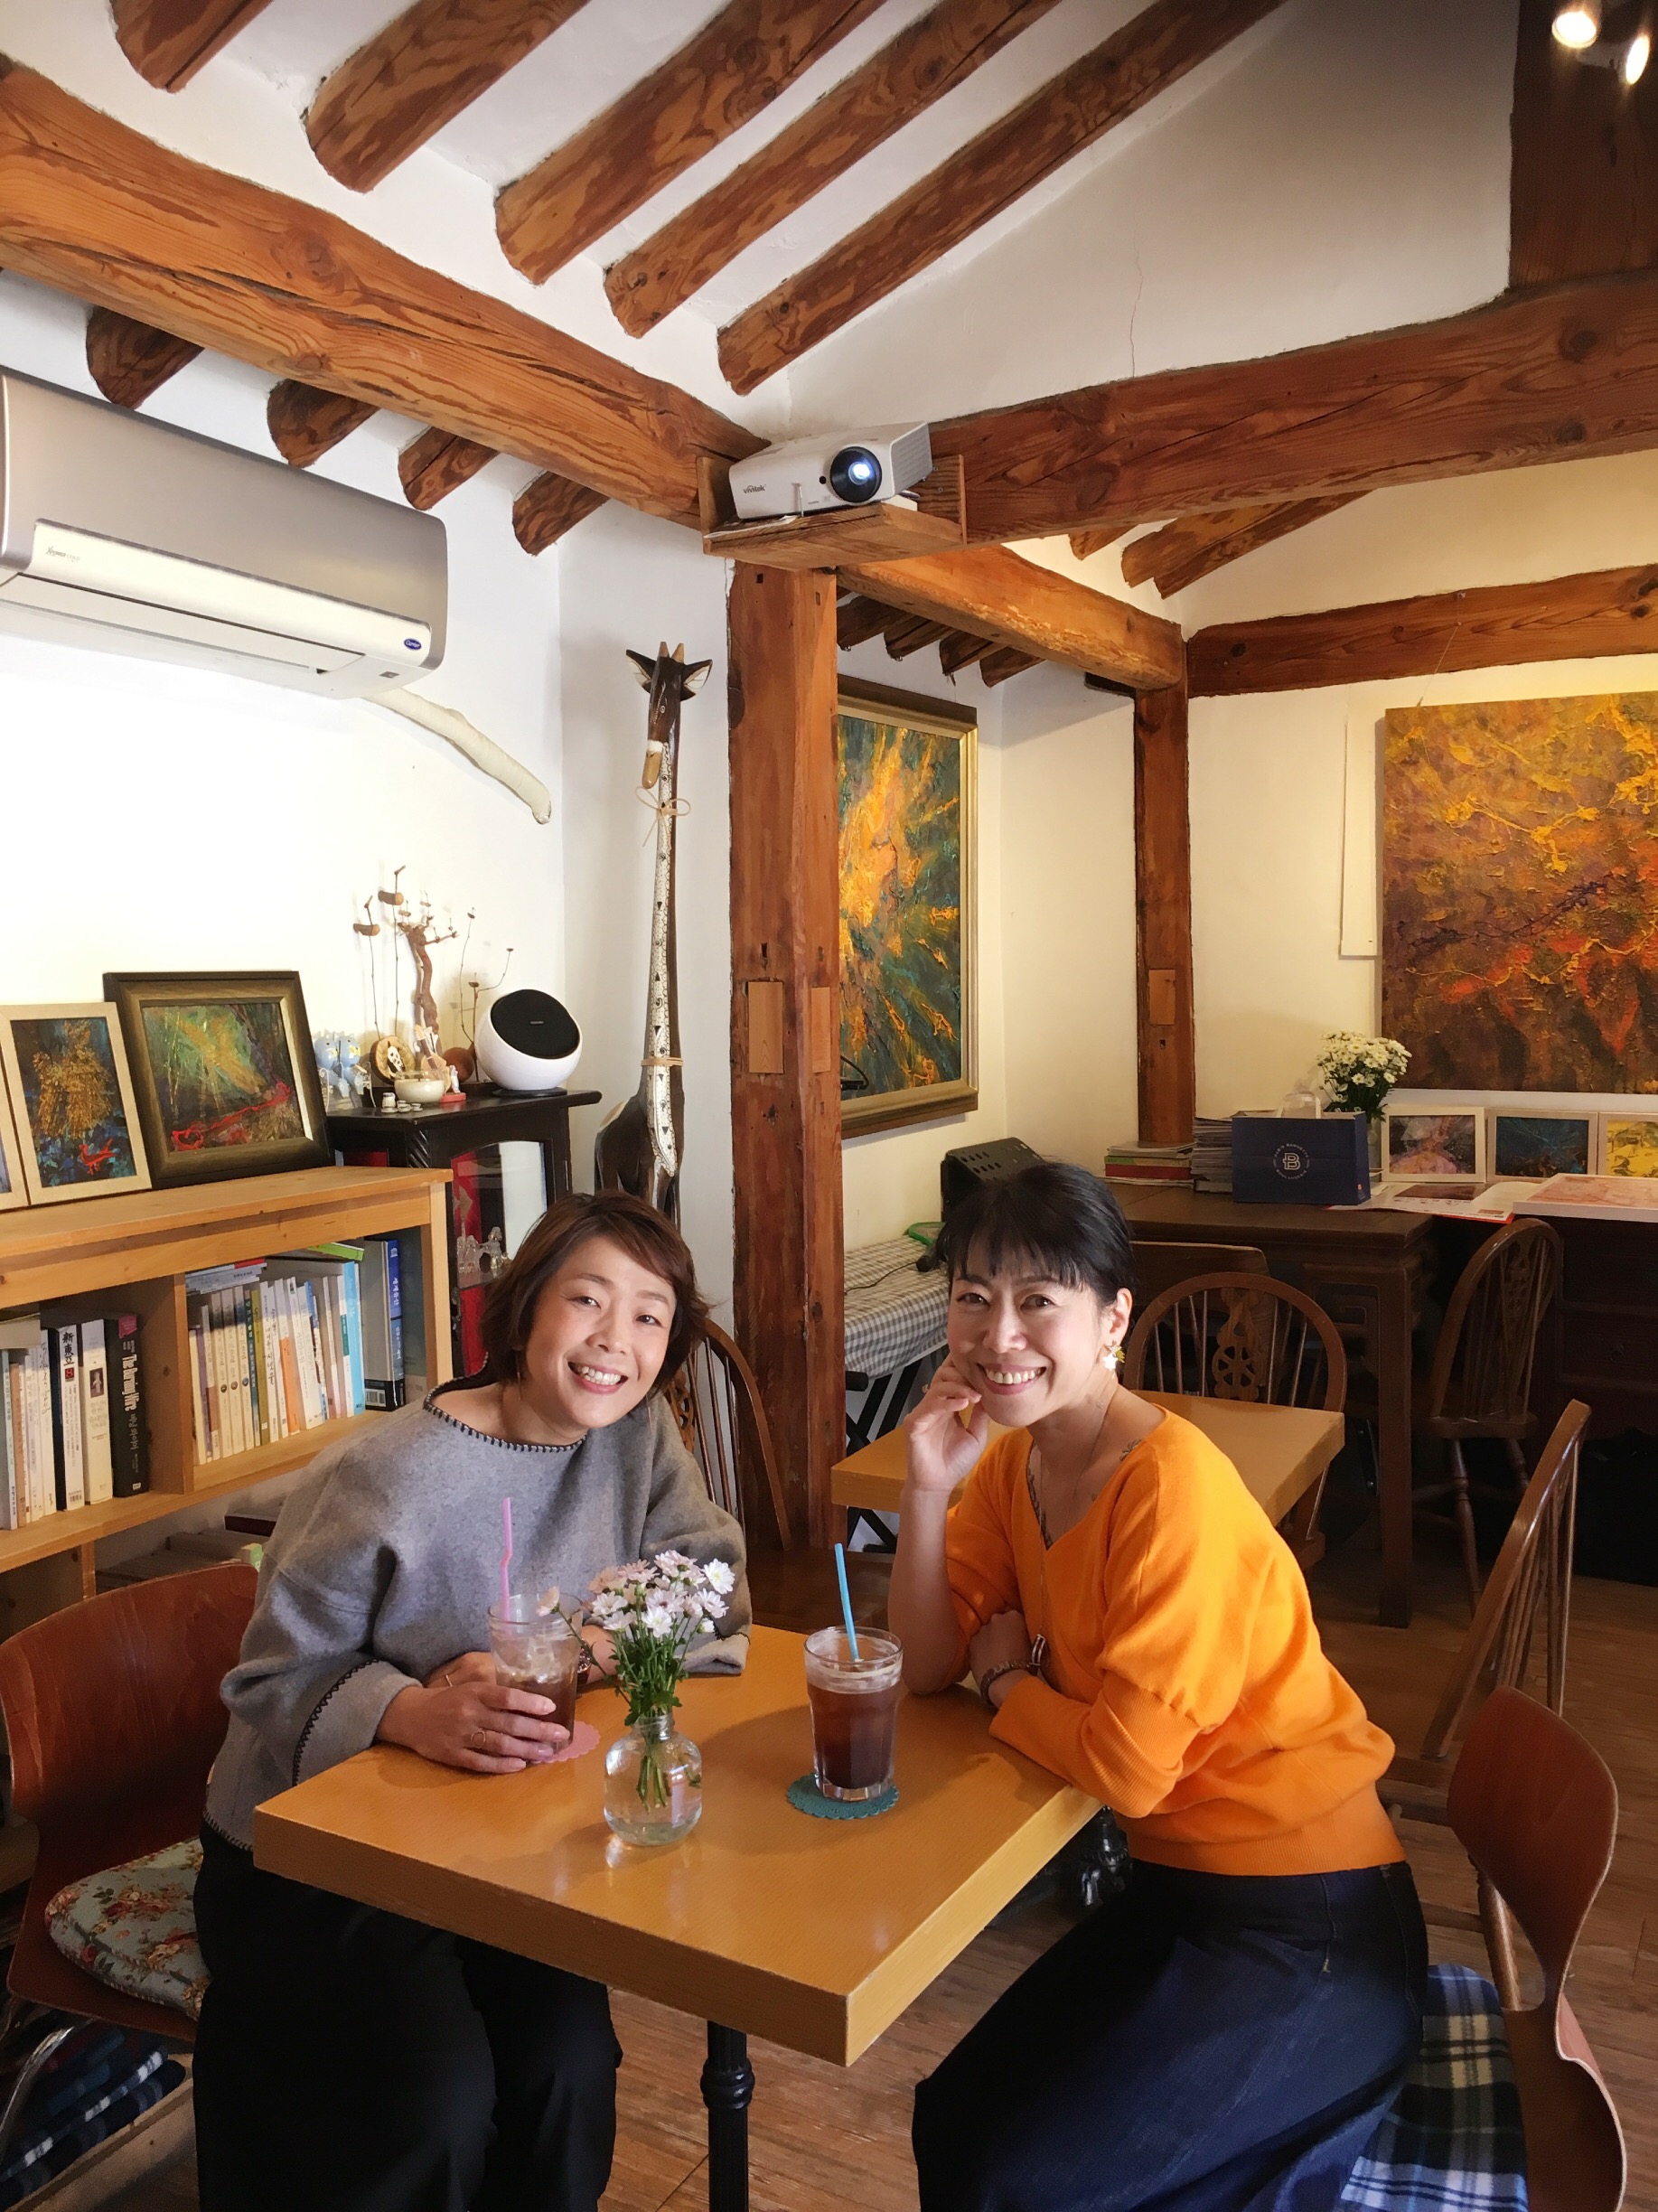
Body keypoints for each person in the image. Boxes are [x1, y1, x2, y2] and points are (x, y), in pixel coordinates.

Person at [193, 1191, 750, 2212]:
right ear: (526, 1307)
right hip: (319, 1865)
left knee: (568, 2067)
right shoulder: (383, 1473)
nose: (613, 1341)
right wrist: (407, 1712)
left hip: (503, 1844)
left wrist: (580, 1651)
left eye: (648, 1316)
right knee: (437, 2102)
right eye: (587, 1300)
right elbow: (270, 1677)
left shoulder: (635, 1440)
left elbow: (709, 1581)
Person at [891, 1162, 1425, 2212]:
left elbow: (1126, 1771)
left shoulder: (1170, 1490)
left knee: (1019, 2180)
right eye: (973, 1297)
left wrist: (1005, 1682)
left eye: (1037, 1300)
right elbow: (922, 1664)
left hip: (1311, 1927)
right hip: (1180, 1893)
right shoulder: (1011, 1465)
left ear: (1111, 1320)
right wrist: (922, 1488)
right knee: (954, 2118)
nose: (998, 1335)